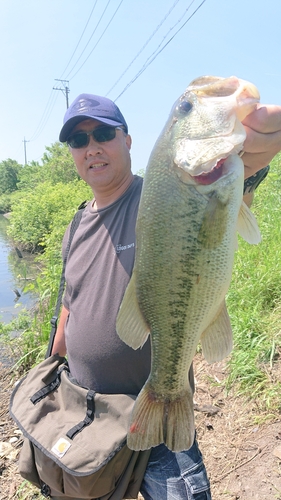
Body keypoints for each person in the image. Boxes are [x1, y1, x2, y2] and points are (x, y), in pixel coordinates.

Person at [52, 92, 281, 500]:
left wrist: (251, 165)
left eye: (103, 133)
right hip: (88, 419)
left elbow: (221, 195)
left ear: (127, 140)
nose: (92, 147)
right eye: (79, 140)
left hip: (157, 416)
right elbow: (71, 307)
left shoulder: (161, 193)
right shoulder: (74, 225)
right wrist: (55, 370)